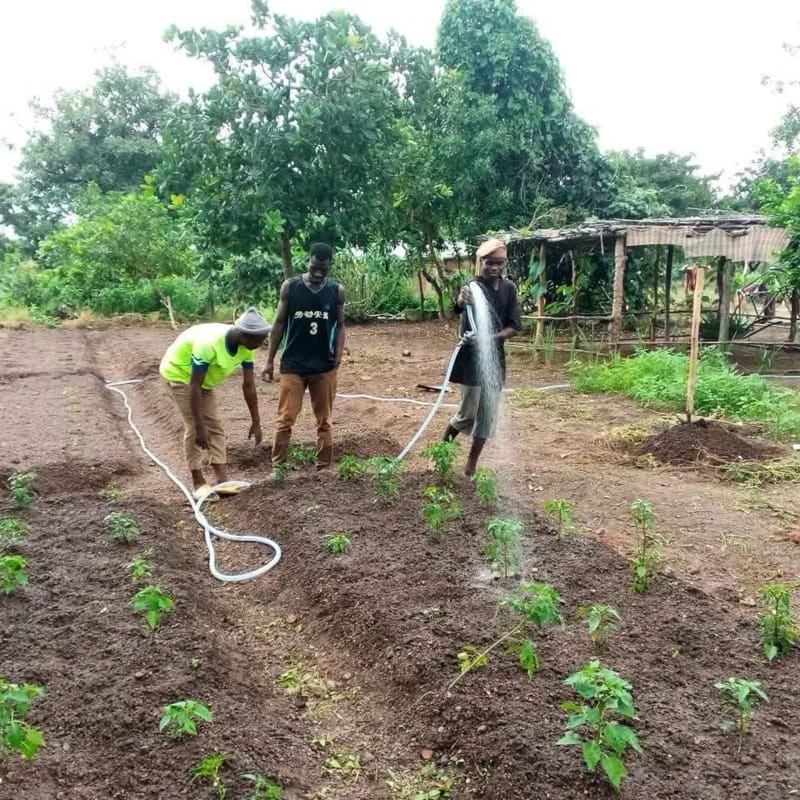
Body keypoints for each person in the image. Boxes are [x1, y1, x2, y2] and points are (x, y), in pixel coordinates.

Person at [159, 308, 271, 499]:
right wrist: (200, 425)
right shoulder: (209, 345)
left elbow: (249, 386)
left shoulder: (247, 348)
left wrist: (256, 421)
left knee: (216, 427)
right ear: (245, 335)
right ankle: (198, 481)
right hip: (179, 375)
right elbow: (194, 386)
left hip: (203, 381)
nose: (261, 344)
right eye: (259, 340)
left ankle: (223, 483)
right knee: (194, 428)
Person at [262, 243, 346, 474]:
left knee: (325, 421)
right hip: (293, 365)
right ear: (308, 260)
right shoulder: (291, 287)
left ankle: (324, 468)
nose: (319, 272)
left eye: (324, 268)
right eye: (315, 267)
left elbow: (340, 326)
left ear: (330, 266)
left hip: (324, 366)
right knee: (285, 418)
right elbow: (279, 323)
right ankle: (278, 468)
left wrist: (337, 357)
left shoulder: (336, 291)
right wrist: (269, 360)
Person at [442, 238, 521, 476]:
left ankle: (471, 466)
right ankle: (441, 453)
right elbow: (457, 307)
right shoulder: (472, 286)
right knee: (467, 414)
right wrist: (459, 300)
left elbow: (514, 326)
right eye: (489, 263)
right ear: (481, 263)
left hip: (494, 360)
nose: (494, 268)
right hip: (471, 360)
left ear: (504, 264)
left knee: (487, 418)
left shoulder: (509, 289)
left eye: (498, 263)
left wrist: (490, 338)